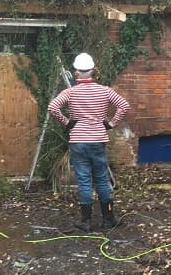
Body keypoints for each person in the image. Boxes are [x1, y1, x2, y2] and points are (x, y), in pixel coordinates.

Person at [48, 52, 130, 232]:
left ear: (77, 73)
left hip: (78, 141)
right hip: (98, 140)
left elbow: (52, 107)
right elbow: (124, 105)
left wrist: (67, 122)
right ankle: (108, 219)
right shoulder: (105, 91)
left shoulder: (70, 92)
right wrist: (111, 123)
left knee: (84, 180)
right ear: (93, 71)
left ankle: (85, 222)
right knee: (101, 179)